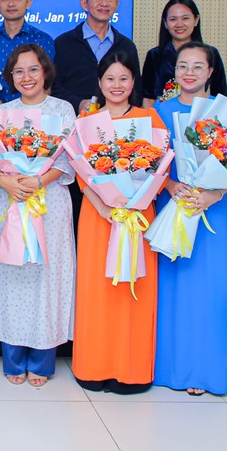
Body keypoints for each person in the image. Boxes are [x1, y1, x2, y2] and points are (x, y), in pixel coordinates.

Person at [71, 50, 164, 394]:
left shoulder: (149, 118)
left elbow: (161, 168)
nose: (116, 85)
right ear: (99, 82)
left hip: (137, 216)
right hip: (99, 216)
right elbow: (82, 175)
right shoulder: (88, 122)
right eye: (109, 78)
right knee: (98, 290)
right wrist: (106, 208)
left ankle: (131, 370)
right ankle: (93, 366)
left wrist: (134, 202)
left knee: (132, 290)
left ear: (133, 81)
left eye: (124, 78)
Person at [0, 44, 76, 387]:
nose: (27, 77)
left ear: (45, 71)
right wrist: (4, 179)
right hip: (12, 200)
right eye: (19, 71)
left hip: (49, 202)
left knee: (46, 278)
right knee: (13, 275)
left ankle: (41, 359)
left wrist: (38, 180)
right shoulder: (3, 113)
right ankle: (13, 356)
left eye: (33, 69)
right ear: (10, 76)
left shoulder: (62, 109)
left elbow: (68, 160)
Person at [154, 41, 227, 396]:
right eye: (183, 65)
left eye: (197, 66)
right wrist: (170, 185)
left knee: (206, 292)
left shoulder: (225, 112)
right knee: (172, 291)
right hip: (171, 207)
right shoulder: (158, 111)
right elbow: (149, 163)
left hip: (210, 211)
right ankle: (168, 369)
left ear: (210, 72)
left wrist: (212, 195)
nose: (189, 73)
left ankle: (203, 372)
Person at [52, 0, 141, 225]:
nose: (104, 3)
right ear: (84, 3)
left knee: (116, 196)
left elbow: (137, 90)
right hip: (77, 132)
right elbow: (54, 87)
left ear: (117, 4)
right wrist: (78, 103)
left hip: (117, 135)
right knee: (80, 197)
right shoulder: (64, 43)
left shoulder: (126, 46)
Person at [142, 0, 227, 108]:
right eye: (173, 19)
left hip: (199, 115)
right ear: (165, 23)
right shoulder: (154, 55)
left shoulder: (211, 53)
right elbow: (148, 97)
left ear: (196, 20)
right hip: (162, 115)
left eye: (185, 18)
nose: (179, 24)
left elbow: (221, 96)